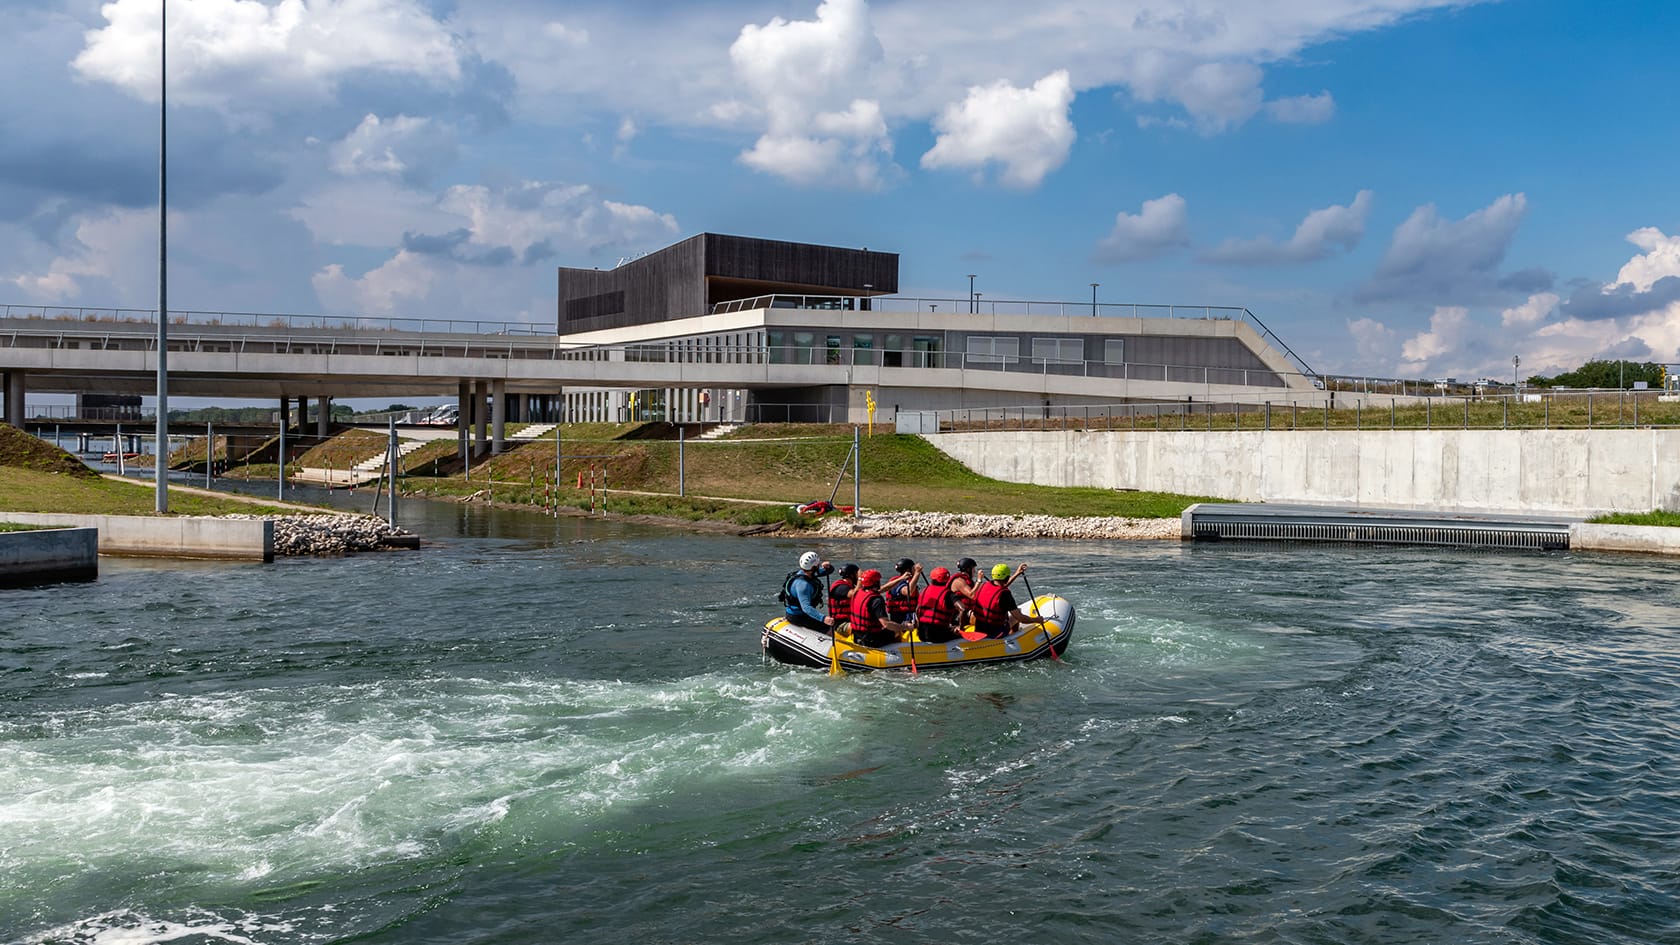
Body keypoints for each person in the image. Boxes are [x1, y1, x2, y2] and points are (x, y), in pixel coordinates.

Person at [970, 562, 1046, 639]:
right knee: (1017, 614)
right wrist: (1037, 620)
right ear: (1006, 578)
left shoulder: (984, 585)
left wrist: (1017, 573)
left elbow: (1001, 586)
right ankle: (1012, 638)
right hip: (995, 633)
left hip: (979, 629)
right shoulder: (1005, 595)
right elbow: (1020, 618)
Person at [848, 568, 912, 647]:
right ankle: (895, 653)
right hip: (871, 639)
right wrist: (905, 627)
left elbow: (885, 588)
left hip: (857, 636)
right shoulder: (876, 600)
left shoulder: (858, 593)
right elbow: (886, 624)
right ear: (876, 583)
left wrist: (901, 579)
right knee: (896, 631)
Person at [778, 551, 834, 633]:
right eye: (818, 564)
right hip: (798, 616)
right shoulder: (803, 585)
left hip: (800, 614)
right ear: (814, 567)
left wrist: (828, 567)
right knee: (829, 629)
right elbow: (806, 608)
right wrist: (823, 618)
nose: (819, 565)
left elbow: (828, 571)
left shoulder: (806, 573)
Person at [914, 567, 963, 643]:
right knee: (959, 634)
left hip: (922, 634)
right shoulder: (949, 594)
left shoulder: (924, 591)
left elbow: (917, 610)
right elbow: (963, 609)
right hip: (938, 636)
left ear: (932, 579)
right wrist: (960, 627)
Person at [882, 557, 922, 626]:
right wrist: (917, 574)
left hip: (909, 615)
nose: (914, 570)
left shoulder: (910, 582)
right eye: (913, 568)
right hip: (901, 617)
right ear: (908, 570)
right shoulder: (897, 582)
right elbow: (908, 592)